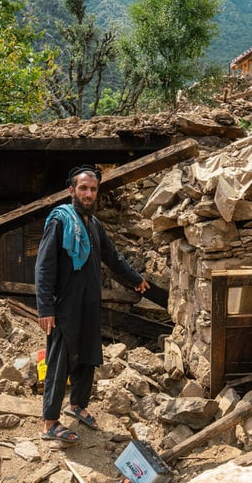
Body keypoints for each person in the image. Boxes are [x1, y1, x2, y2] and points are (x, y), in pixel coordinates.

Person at [35, 165, 150, 444]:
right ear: (71, 191)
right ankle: (50, 422)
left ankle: (77, 405)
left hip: (89, 303)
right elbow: (44, 267)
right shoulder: (60, 222)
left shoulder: (93, 224)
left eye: (93, 189)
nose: (88, 194)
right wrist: (45, 308)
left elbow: (113, 258)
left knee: (87, 355)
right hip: (63, 306)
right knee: (59, 361)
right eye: (83, 188)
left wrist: (136, 279)